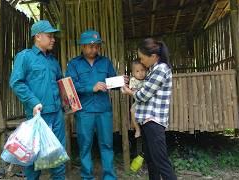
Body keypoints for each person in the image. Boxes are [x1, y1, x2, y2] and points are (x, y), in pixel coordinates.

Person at [9, 20, 66, 180]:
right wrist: (34, 102)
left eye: (53, 36)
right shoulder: (25, 57)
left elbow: (60, 84)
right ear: (38, 37)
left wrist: (68, 100)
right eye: (50, 36)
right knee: (33, 157)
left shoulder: (53, 61)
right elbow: (16, 82)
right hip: (38, 116)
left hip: (57, 115)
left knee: (58, 154)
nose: (53, 39)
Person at [121, 38, 177, 180]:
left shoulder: (161, 69)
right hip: (147, 122)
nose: (141, 61)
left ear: (152, 56)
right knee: (151, 160)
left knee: (161, 161)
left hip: (154, 122)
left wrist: (129, 92)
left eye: (142, 58)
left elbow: (143, 95)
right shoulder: (153, 70)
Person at [65, 29, 117, 180]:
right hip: (84, 111)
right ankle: (87, 176)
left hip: (104, 110)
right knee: (85, 145)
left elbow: (113, 81)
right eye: (90, 46)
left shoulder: (105, 62)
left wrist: (121, 82)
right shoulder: (74, 64)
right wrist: (91, 88)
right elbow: (71, 86)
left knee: (107, 144)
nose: (94, 49)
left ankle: (109, 177)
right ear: (82, 46)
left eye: (97, 46)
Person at [129, 60, 147, 138]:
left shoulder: (148, 79)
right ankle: (137, 129)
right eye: (137, 71)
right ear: (133, 73)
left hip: (147, 103)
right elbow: (133, 91)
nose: (140, 73)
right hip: (138, 102)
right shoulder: (133, 80)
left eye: (142, 70)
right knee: (132, 111)